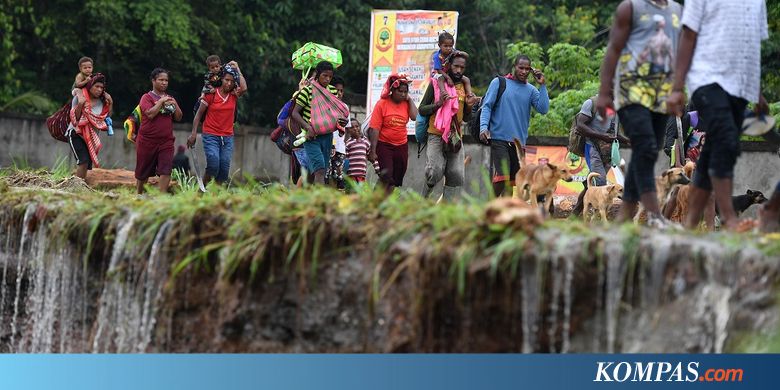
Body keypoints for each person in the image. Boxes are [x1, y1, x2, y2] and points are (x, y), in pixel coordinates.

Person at [667, 0, 769, 231]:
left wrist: (758, 93)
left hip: (739, 87)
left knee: (712, 150)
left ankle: (692, 219)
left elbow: (752, 47)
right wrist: (677, 86)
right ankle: (729, 218)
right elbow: (688, 36)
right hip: (706, 80)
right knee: (725, 140)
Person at [596, 0, 682, 227]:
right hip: (631, 92)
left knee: (648, 152)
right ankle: (653, 214)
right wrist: (604, 93)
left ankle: (625, 214)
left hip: (661, 96)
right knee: (645, 147)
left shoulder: (676, 11)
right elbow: (613, 48)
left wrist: (678, 89)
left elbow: (679, 54)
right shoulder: (630, 7)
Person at [479, 54, 549, 197]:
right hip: (499, 138)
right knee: (503, 176)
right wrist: (483, 127)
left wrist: (542, 85)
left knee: (512, 181)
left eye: (527, 69)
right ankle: (486, 208)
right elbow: (487, 106)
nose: (524, 71)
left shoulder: (531, 90)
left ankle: (505, 213)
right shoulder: (499, 83)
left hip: (519, 143)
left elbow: (543, 109)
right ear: (514, 66)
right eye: (521, 67)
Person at [418, 51, 476, 201]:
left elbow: (467, 117)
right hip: (436, 134)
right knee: (435, 171)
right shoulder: (437, 82)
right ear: (449, 65)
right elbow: (422, 109)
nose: (458, 70)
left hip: (455, 137)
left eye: (462, 68)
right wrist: (438, 104)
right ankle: (423, 201)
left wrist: (469, 107)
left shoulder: (465, 85)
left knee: (456, 174)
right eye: (456, 66)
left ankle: (446, 211)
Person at [188, 61, 248, 185]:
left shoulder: (234, 95)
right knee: (213, 164)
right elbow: (198, 115)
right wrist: (193, 133)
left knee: (224, 168)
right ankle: (202, 189)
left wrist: (238, 68)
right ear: (221, 78)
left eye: (232, 81)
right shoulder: (211, 93)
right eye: (226, 80)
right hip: (210, 134)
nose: (229, 83)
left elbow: (244, 88)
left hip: (227, 136)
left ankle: (216, 195)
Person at [290, 61, 347, 185]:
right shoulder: (307, 91)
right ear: (317, 74)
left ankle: (304, 197)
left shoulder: (332, 90)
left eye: (330, 77)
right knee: (320, 169)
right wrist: (307, 126)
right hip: (311, 137)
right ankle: (319, 202)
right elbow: (294, 113)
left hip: (327, 136)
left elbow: (335, 112)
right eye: (324, 76)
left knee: (314, 171)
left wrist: (342, 121)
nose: (327, 79)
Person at [367, 74, 418, 193]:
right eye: (400, 91)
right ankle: (373, 202)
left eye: (406, 92)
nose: (403, 94)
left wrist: (409, 99)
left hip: (401, 145)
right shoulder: (382, 104)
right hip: (384, 145)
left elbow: (415, 117)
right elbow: (375, 128)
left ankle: (384, 205)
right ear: (392, 90)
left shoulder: (406, 103)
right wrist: (373, 150)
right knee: (386, 175)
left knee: (394, 179)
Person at [135, 68, 182, 194]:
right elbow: (150, 114)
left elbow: (178, 117)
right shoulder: (146, 97)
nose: (164, 83)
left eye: (166, 80)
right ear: (153, 81)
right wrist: (160, 102)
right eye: (161, 80)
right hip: (147, 141)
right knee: (143, 172)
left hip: (166, 141)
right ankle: (139, 195)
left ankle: (161, 198)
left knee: (166, 169)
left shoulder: (169, 98)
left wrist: (175, 104)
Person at [575, 96, 629, 187]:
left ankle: (581, 200)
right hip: (592, 147)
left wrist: (628, 140)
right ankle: (594, 199)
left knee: (593, 182)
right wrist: (602, 136)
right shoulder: (591, 103)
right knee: (600, 181)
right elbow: (580, 125)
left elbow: (614, 133)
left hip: (608, 152)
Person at [66, 73, 112, 180]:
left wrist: (111, 102)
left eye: (101, 87)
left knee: (86, 164)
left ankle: (79, 184)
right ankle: (77, 185)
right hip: (75, 133)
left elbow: (107, 117)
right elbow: (75, 118)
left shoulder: (103, 101)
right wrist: (81, 103)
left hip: (90, 137)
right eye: (97, 86)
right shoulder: (79, 97)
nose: (99, 89)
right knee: (83, 161)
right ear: (90, 86)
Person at [431, 32, 474, 106]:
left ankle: (470, 94)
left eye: (450, 46)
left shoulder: (453, 52)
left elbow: (466, 56)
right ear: (439, 45)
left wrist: (461, 53)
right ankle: (443, 92)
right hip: (439, 73)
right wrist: (448, 78)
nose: (448, 48)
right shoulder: (437, 56)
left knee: (466, 79)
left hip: (449, 73)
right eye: (445, 46)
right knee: (440, 79)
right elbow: (439, 70)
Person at [327, 75, 350, 189]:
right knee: (325, 177)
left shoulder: (345, 107)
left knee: (339, 177)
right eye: (337, 90)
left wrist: (343, 144)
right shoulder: (325, 105)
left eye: (341, 91)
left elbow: (348, 129)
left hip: (340, 148)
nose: (339, 93)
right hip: (327, 146)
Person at [344, 119, 371, 184]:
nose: (355, 129)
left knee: (360, 193)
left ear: (360, 127)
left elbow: (371, 157)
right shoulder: (348, 143)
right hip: (350, 176)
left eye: (357, 126)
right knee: (351, 192)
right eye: (352, 127)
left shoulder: (366, 142)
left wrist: (377, 169)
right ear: (348, 130)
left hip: (362, 175)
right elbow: (345, 159)